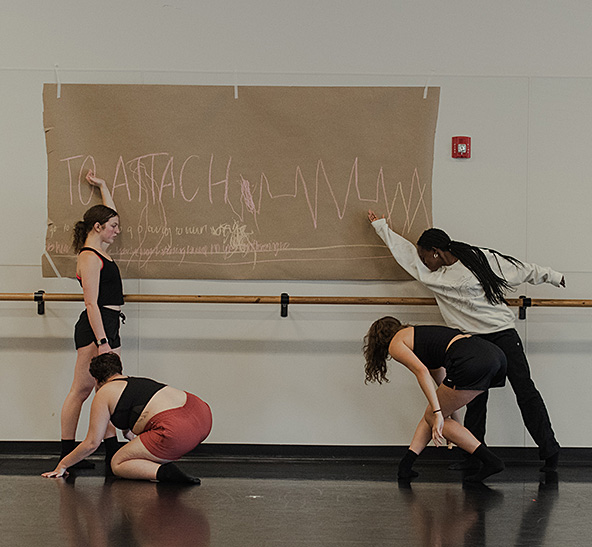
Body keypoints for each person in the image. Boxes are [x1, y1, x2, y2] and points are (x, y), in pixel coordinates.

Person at [368, 210, 564, 472]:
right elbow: (406, 257)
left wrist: (552, 276)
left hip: (502, 332)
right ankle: (475, 456)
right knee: (475, 400)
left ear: (436, 251)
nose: (423, 262)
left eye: (426, 256)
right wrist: (381, 227)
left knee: (525, 390)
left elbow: (519, 270)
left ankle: (550, 451)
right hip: (471, 342)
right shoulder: (434, 277)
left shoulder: (480, 259)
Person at [364, 316, 507, 482]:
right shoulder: (421, 338)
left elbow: (421, 372)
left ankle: (491, 461)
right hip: (492, 354)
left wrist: (438, 414)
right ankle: (405, 466)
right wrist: (452, 423)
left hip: (470, 359)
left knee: (432, 415)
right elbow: (443, 390)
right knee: (431, 414)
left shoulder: (396, 343)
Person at [43, 352, 213, 483]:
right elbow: (134, 409)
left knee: (117, 462)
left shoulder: (104, 393)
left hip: (178, 431)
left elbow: (92, 443)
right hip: (202, 415)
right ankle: (163, 464)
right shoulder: (135, 382)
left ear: (96, 379)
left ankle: (166, 473)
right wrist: (128, 433)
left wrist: (63, 464)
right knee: (142, 445)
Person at [59, 170, 124, 469]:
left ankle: (112, 453)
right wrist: (102, 342)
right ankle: (66, 454)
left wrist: (103, 187)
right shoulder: (89, 256)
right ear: (97, 227)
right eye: (112, 226)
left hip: (109, 324)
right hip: (95, 327)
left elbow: (110, 214)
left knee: (107, 390)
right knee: (81, 390)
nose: (117, 231)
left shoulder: (100, 248)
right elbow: (91, 302)